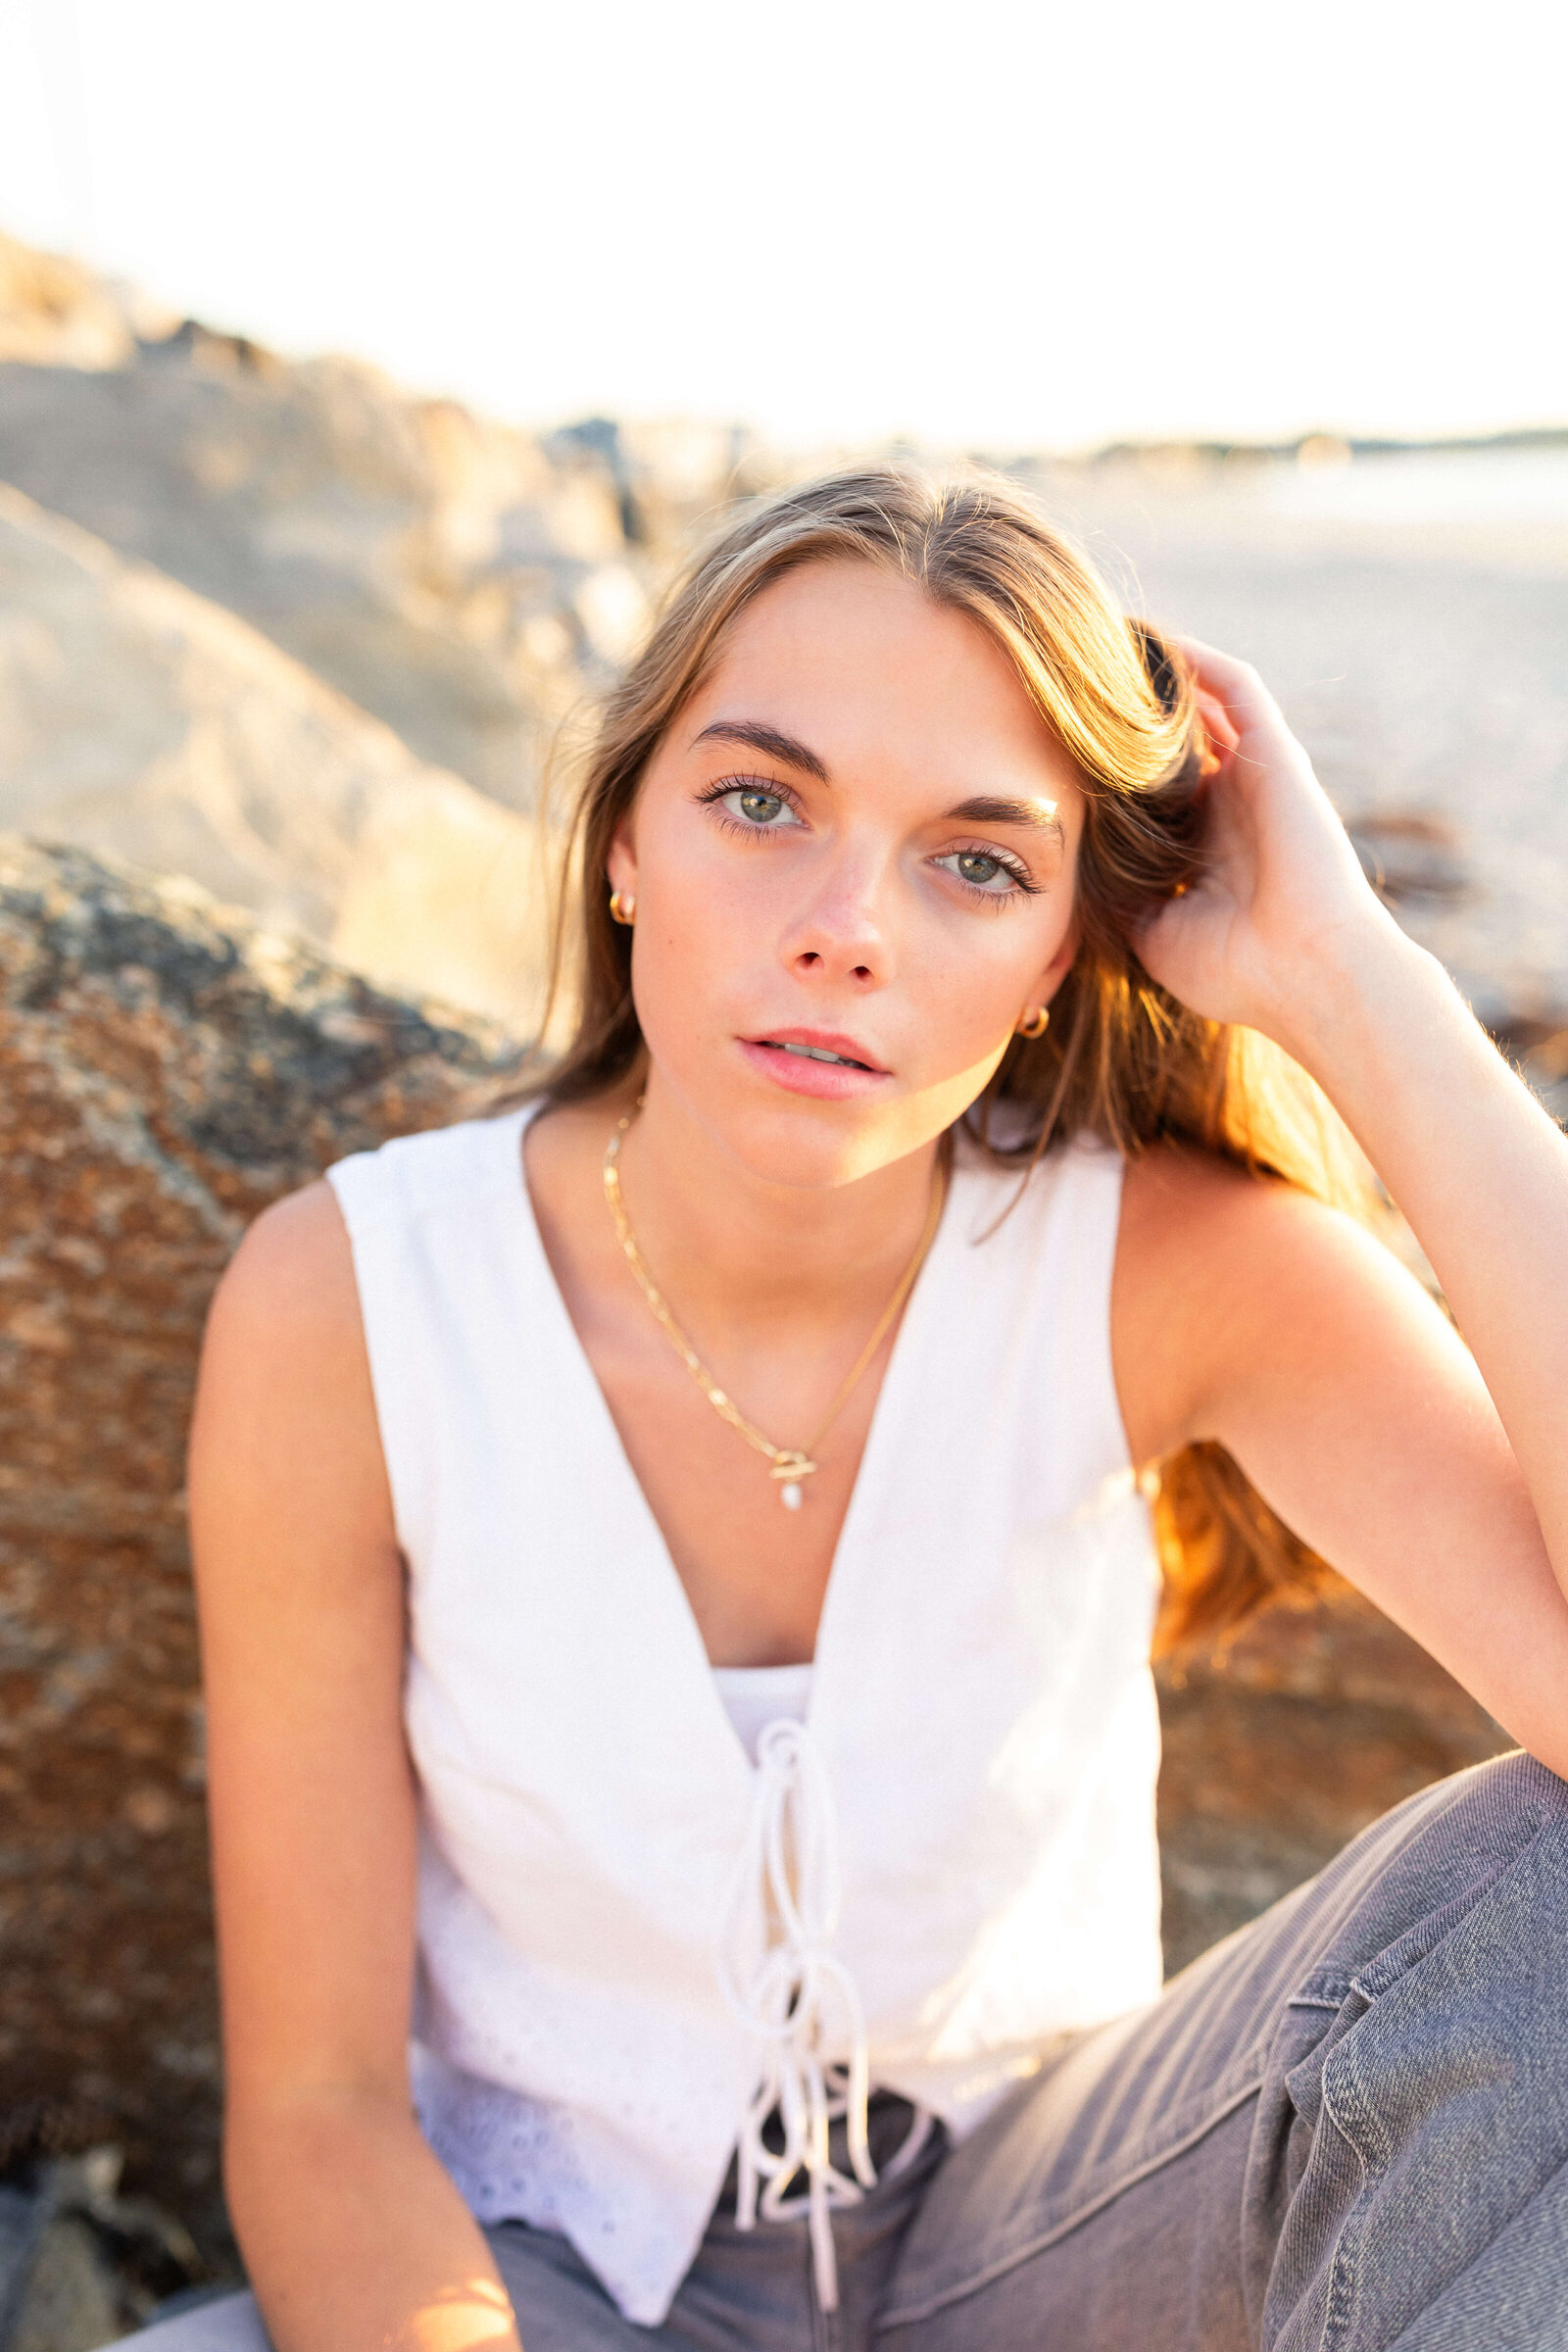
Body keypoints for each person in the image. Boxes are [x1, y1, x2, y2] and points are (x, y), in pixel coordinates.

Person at [150, 467, 1568, 2351]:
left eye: (977, 860)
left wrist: (1357, 985)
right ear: (623, 839)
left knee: (1537, 1892)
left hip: (1072, 2248)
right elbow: (320, 2109)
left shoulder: (1176, 1270)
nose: (846, 930)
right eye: (760, 801)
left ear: (1068, 948)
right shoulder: (355, 1307)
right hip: (536, 2284)